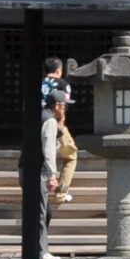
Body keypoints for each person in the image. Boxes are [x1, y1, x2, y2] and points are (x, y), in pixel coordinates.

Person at [40, 56, 79, 206]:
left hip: (38, 123)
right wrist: (60, 126)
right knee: (71, 156)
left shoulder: (37, 83)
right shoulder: (63, 84)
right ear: (59, 70)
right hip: (55, 123)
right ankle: (61, 193)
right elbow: (62, 108)